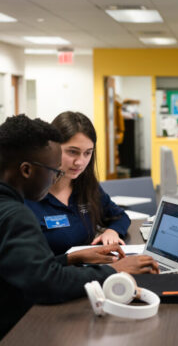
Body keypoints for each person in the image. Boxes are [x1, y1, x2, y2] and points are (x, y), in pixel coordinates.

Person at [0, 114, 159, 339]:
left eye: (87, 153)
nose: (57, 177)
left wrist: (71, 258)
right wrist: (114, 270)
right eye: (54, 171)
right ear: (27, 170)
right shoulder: (17, 215)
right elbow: (46, 283)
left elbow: (26, 269)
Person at [25, 111, 130, 255]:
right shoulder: (28, 196)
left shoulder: (86, 186)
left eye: (87, 153)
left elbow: (120, 217)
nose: (80, 162)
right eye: (72, 152)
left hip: (89, 274)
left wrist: (112, 231)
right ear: (52, 148)